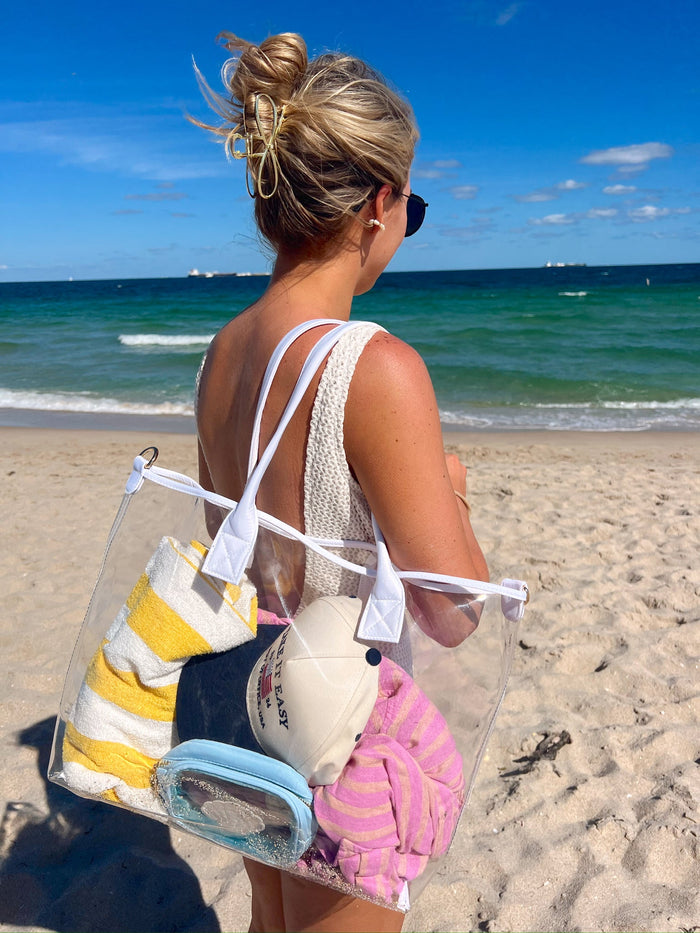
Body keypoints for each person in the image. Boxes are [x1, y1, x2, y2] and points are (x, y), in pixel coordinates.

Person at [193, 30, 489, 933]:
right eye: (414, 206)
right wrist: (453, 492)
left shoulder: (223, 353)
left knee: (271, 916)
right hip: (338, 732)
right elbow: (454, 611)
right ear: (381, 203)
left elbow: (235, 546)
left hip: (249, 705)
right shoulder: (373, 367)